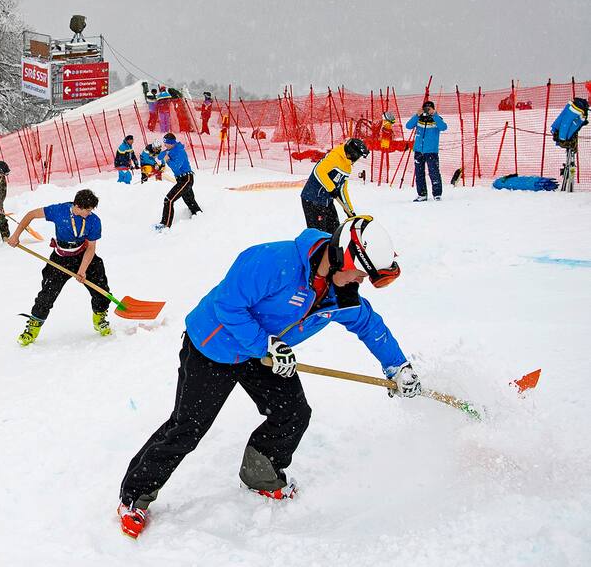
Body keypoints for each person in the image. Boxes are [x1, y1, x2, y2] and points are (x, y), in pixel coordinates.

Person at [116, 216, 418, 538]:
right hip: (213, 346)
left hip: (264, 353)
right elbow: (227, 305)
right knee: (188, 427)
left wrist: (398, 367)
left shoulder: (340, 292)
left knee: (292, 412)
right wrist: (266, 345)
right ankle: (134, 496)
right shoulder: (273, 262)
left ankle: (260, 472)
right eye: (358, 273)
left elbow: (369, 325)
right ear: (343, 255)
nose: (358, 281)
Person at [7, 189, 112, 346]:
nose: (89, 213)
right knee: (47, 294)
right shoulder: (59, 211)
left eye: (91, 210)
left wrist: (82, 270)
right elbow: (31, 215)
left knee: (101, 288)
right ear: (77, 206)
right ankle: (32, 329)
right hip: (60, 259)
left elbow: (91, 248)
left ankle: (100, 318)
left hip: (83, 255)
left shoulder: (94, 221)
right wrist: (16, 236)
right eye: (87, 210)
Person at [300, 138, 367, 233]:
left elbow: (342, 190)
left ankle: (332, 248)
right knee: (319, 234)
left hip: (327, 201)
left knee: (334, 231)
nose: (357, 160)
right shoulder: (334, 157)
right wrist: (331, 188)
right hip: (312, 199)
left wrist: (350, 211)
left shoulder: (347, 167)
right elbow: (319, 171)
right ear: (352, 153)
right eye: (358, 156)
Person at [154, 133, 201, 231]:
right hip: (181, 179)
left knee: (168, 200)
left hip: (186, 179)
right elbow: (159, 157)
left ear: (171, 143)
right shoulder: (170, 150)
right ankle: (199, 216)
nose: (164, 145)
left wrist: (167, 160)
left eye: (166, 143)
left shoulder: (180, 152)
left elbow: (176, 167)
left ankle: (165, 225)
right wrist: (162, 161)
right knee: (190, 201)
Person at [404, 101, 448, 202]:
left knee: (434, 173)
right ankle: (422, 194)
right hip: (418, 151)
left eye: (429, 108)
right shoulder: (419, 119)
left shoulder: (436, 119)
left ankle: (437, 194)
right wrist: (417, 115)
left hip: (431, 151)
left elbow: (443, 127)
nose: (427, 110)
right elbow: (408, 126)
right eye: (425, 108)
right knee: (419, 173)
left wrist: (435, 115)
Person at [551, 97, 588, 192]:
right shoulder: (576, 108)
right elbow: (567, 123)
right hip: (568, 137)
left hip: (567, 136)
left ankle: (569, 179)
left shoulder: (573, 107)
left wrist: (562, 137)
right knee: (571, 160)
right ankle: (569, 179)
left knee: (571, 159)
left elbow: (565, 122)